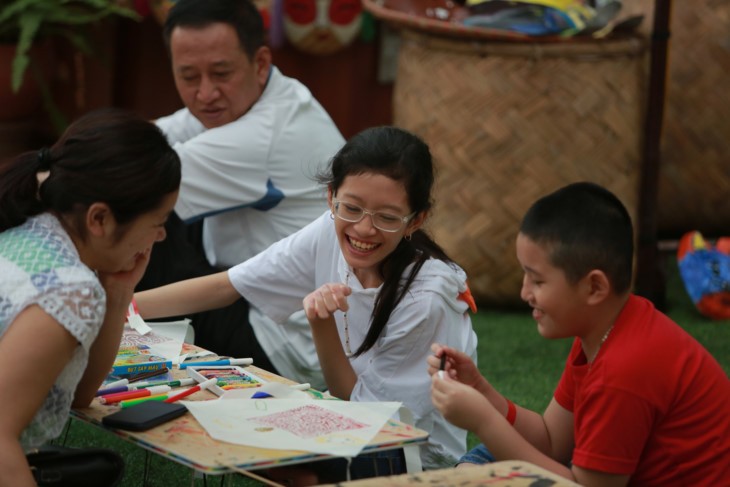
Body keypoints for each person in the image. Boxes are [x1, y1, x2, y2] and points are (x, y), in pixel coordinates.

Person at [135, 126, 478, 481]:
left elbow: (373, 419)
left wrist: (320, 324)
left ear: (416, 220)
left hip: (409, 455)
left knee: (250, 435)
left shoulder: (427, 297)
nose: (363, 229)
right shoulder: (329, 229)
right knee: (228, 416)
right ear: (331, 197)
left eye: (387, 217)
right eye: (351, 207)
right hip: (351, 419)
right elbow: (230, 285)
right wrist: (119, 308)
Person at [428, 182, 730, 486]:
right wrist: (480, 390)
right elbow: (551, 441)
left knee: (486, 460)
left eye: (537, 281)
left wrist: (483, 420)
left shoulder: (623, 368)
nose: (524, 292)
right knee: (487, 457)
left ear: (594, 287)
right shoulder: (604, 330)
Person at [138, 0, 345, 390]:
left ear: (260, 62)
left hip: (286, 343)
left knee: (128, 219)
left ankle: (85, 324)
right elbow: (133, 142)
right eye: (188, 76)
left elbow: (113, 174)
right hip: (248, 295)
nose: (205, 94)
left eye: (221, 73)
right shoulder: (260, 99)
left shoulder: (266, 133)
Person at [0, 108, 181, 486]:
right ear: (99, 219)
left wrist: (117, 293)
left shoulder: (26, 229)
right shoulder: (69, 289)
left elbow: (79, 393)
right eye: (159, 223)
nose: (160, 237)